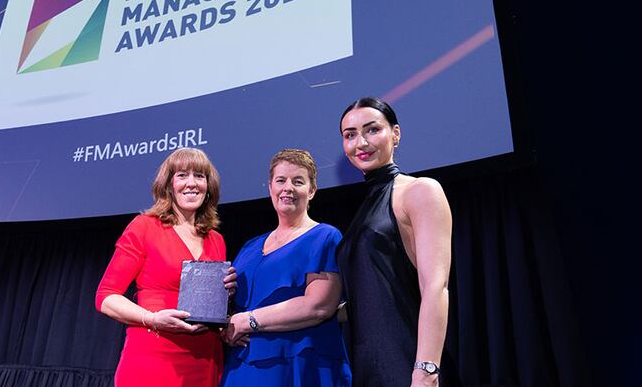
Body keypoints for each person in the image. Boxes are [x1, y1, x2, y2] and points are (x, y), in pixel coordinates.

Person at [336, 97, 460, 387]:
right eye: (350, 135)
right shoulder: (364, 209)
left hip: (407, 364)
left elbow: (435, 286)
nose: (361, 142)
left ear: (396, 133)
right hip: (367, 366)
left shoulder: (420, 191)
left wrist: (426, 372)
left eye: (372, 130)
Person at [95, 147, 236, 387]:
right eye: (182, 175)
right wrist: (152, 319)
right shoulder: (144, 227)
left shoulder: (216, 239)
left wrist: (224, 295)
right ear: (169, 185)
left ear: (208, 187)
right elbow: (105, 297)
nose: (191, 183)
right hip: (153, 357)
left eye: (199, 176)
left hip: (205, 359)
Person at [221, 149, 352, 387]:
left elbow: (318, 306)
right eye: (280, 180)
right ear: (270, 187)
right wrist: (226, 312)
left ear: (311, 191)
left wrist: (247, 321)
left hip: (300, 365)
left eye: (298, 181)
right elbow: (235, 309)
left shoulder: (324, 237)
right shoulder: (249, 247)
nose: (287, 188)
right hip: (242, 366)